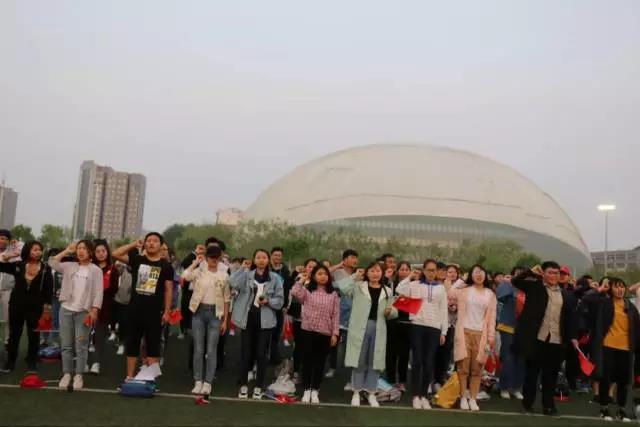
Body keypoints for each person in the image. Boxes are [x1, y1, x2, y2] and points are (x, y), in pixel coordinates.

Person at [512, 262, 578, 416]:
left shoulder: (566, 295)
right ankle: (527, 404)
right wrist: (530, 272)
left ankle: (548, 406)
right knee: (532, 375)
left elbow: (570, 318)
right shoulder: (535, 287)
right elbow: (516, 281)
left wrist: (572, 337)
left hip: (556, 340)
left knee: (551, 376)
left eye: (556, 273)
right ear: (543, 274)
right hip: (537, 339)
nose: (554, 276)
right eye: (550, 272)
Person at [112, 232, 175, 381]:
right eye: (149, 241)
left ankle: (150, 379)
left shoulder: (166, 266)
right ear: (145, 244)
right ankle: (129, 376)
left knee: (153, 345)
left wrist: (167, 311)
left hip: (154, 312)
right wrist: (134, 244)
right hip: (135, 310)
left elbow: (168, 290)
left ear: (161, 245)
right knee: (132, 344)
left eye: (155, 241)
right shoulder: (138, 260)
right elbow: (115, 254)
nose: (151, 243)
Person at [336, 262, 397, 408]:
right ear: (367, 273)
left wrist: (390, 312)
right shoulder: (358, 287)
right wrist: (354, 276)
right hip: (360, 328)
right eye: (372, 271)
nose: (375, 274)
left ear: (382, 273)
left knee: (374, 362)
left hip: (378, 328)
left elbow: (393, 310)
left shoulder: (387, 291)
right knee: (359, 360)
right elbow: (342, 287)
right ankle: (356, 392)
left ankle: (371, 393)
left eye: (378, 271)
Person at [49, 241, 103, 390]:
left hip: (84, 312)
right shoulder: (69, 266)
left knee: (81, 346)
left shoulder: (96, 270)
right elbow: (52, 262)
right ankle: (67, 374)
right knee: (66, 345)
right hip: (66, 310)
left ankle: (78, 375)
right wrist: (67, 250)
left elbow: (99, 292)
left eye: (84, 248)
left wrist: (94, 310)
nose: (81, 251)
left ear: (90, 252)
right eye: (79, 248)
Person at [230, 249, 284, 400]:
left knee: (261, 354)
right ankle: (243, 385)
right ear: (254, 260)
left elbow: (280, 301)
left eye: (264, 257)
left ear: (268, 260)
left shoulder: (275, 278)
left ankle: (259, 386)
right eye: (258, 257)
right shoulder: (247, 275)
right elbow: (232, 282)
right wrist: (242, 269)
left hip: (265, 321)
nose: (261, 260)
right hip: (247, 319)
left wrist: (268, 301)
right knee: (246, 353)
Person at [396, 259, 448, 409]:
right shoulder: (415, 285)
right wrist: (410, 276)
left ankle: (424, 395)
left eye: (434, 270)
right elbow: (399, 289)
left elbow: (443, 310)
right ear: (424, 270)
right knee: (417, 361)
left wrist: (443, 331)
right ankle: (415, 395)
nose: (431, 273)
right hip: (417, 326)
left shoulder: (441, 288)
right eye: (429, 270)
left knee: (429, 362)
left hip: (434, 328)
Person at [181, 245, 231, 396]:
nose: (213, 260)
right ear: (207, 258)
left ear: (220, 258)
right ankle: (198, 381)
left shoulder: (224, 276)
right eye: (211, 257)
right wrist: (196, 262)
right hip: (198, 312)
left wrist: (225, 320)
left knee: (211, 350)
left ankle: (208, 382)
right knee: (198, 348)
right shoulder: (200, 272)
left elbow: (227, 299)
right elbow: (185, 275)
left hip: (216, 314)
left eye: (216, 257)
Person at [449, 264, 497, 412]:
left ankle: (473, 398)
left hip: (481, 335)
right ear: (471, 275)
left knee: (477, 369)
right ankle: (463, 397)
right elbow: (450, 293)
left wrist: (491, 336)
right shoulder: (464, 291)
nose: (479, 275)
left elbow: (492, 318)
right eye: (476, 272)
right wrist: (461, 280)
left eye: (482, 272)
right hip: (464, 332)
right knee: (463, 368)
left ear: (486, 275)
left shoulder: (490, 294)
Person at [0, 241, 53, 372]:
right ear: (28, 251)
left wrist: (46, 309)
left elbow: (48, 290)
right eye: (35, 249)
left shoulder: (45, 268)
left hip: (36, 306)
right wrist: (9, 256)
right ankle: (10, 362)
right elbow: (2, 266)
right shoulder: (19, 265)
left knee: (34, 335)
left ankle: (32, 361)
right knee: (14, 334)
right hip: (16, 304)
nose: (38, 252)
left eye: (40, 250)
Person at [291, 265, 340, 404]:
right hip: (308, 331)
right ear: (313, 276)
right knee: (307, 362)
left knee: (320, 363)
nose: (323, 276)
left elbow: (336, 315)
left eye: (325, 274)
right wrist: (302, 280)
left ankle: (315, 390)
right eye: (319, 273)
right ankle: (307, 389)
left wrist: (335, 334)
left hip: (325, 332)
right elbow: (294, 292)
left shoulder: (333, 294)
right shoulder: (307, 291)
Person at [89, 239, 119, 375]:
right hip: (87, 306)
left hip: (105, 307)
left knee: (100, 336)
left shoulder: (113, 269)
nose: (101, 254)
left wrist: (103, 289)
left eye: (103, 251)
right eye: (98, 251)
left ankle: (96, 363)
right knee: (85, 335)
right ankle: (83, 362)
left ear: (107, 252)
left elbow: (115, 289)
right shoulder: (90, 267)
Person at [328, 249, 358, 383]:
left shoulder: (359, 274)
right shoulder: (338, 272)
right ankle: (332, 367)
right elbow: (325, 272)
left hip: (353, 313)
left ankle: (350, 372)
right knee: (334, 342)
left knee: (350, 344)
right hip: (339, 312)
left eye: (356, 258)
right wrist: (339, 265)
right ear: (345, 259)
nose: (355, 260)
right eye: (352, 257)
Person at [495, 267, 526, 400]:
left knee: (521, 360)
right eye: (517, 274)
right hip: (508, 327)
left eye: (523, 274)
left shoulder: (528, 290)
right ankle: (504, 387)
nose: (520, 276)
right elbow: (500, 296)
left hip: (524, 330)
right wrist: (508, 282)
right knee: (508, 358)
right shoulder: (508, 286)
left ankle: (517, 388)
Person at [433, 264, 464, 389]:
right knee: (434, 352)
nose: (450, 274)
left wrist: (455, 306)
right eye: (448, 271)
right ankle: (432, 379)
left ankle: (440, 378)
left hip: (450, 324)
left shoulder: (458, 286)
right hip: (434, 323)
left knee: (445, 352)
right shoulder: (434, 284)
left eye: (453, 272)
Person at [287, 258, 318, 381]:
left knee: (311, 347)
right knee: (299, 346)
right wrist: (298, 278)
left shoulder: (320, 282)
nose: (312, 269)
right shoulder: (299, 278)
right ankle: (295, 371)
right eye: (309, 266)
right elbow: (291, 293)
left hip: (314, 320)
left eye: (314, 267)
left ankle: (308, 373)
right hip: (299, 319)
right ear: (305, 268)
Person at [385, 261, 412, 391]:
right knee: (391, 353)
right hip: (392, 322)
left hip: (407, 323)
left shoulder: (413, 286)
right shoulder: (392, 284)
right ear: (398, 271)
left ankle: (402, 381)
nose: (404, 272)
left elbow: (413, 305)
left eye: (407, 269)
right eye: (402, 269)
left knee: (404, 354)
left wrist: (400, 302)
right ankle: (390, 380)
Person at [269, 247, 292, 365]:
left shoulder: (285, 270)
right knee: (266, 330)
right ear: (271, 256)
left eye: (279, 255)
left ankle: (274, 355)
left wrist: (285, 305)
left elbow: (287, 288)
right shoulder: (267, 268)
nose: (277, 257)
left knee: (277, 331)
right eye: (275, 255)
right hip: (267, 304)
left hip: (280, 304)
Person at [0, 229, 16, 345]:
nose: (3, 241)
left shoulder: (13, 254)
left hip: (7, 290)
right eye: (1, 238)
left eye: (6, 239)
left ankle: (8, 341)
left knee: (8, 318)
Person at [112, 261, 132, 356]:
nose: (117, 268)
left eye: (119, 266)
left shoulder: (127, 275)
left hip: (125, 303)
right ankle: (121, 342)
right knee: (121, 323)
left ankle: (122, 343)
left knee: (124, 324)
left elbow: (124, 293)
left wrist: (116, 297)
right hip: (119, 302)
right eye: (116, 266)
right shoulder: (118, 274)